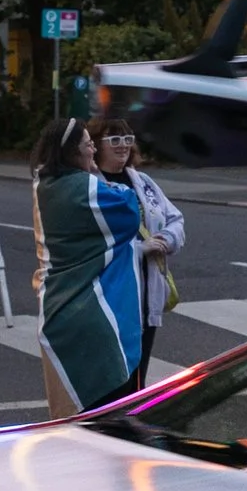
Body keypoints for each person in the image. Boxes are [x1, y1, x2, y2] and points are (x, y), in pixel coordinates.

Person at [34, 117, 145, 416]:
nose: (93, 150)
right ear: (71, 152)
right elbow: (129, 210)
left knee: (77, 411)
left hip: (58, 307)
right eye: (87, 145)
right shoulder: (85, 188)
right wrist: (97, 176)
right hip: (94, 312)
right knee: (110, 409)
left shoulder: (44, 185)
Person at [96, 119, 184, 379]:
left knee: (138, 375)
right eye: (114, 140)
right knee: (115, 377)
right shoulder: (92, 185)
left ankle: (129, 417)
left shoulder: (142, 181)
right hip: (115, 297)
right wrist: (137, 249)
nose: (122, 145)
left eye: (127, 139)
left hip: (147, 295)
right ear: (96, 146)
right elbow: (92, 242)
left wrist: (167, 239)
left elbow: (175, 218)